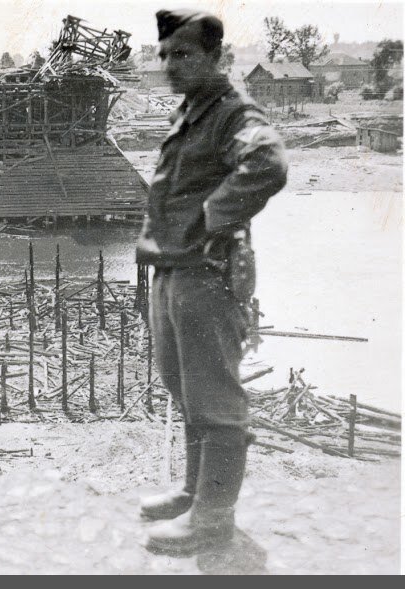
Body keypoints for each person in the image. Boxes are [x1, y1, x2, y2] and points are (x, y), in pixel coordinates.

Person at [135, 9, 288, 556]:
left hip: (207, 274)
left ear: (217, 58)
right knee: (184, 389)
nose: (169, 65)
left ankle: (213, 517)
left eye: (183, 54)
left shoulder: (232, 113)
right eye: (164, 54)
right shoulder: (194, 113)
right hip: (173, 270)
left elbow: (268, 163)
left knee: (215, 400)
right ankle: (194, 492)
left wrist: (212, 219)